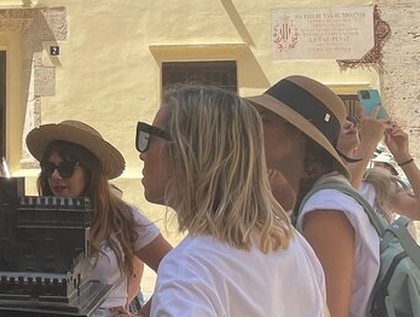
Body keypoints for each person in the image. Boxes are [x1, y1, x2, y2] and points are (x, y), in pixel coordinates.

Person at [141, 86, 327, 317]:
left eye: (149, 137)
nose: (142, 152)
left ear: (186, 153)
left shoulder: (188, 269)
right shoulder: (291, 243)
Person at [247, 76, 378, 317]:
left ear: (299, 134)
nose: (252, 128)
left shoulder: (325, 208)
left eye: (264, 120)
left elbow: (330, 311)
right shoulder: (315, 197)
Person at [26, 120, 172, 316]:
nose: (55, 176)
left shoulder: (123, 217)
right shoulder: (32, 217)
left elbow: (178, 270)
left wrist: (142, 315)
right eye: (48, 167)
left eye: (66, 168)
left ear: (89, 171)